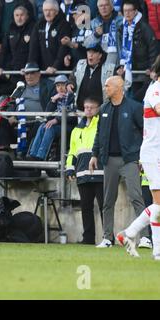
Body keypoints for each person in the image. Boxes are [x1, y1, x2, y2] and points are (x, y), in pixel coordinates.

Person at [89, 76, 147, 248]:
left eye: (107, 86)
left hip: (130, 160)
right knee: (108, 201)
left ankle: (145, 238)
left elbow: (147, 132)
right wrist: (94, 155)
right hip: (109, 160)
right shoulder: (104, 108)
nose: (105, 88)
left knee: (137, 198)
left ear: (118, 87)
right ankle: (108, 237)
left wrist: (143, 155)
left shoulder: (135, 107)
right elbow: (99, 133)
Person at [116, 57, 160, 260]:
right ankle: (157, 251)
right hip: (153, 153)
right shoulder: (155, 88)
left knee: (159, 204)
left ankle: (129, 233)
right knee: (159, 204)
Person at [66, 97, 104, 245]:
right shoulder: (77, 130)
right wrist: (70, 169)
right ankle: (88, 238)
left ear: (97, 109)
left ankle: (108, 237)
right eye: (86, 107)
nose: (88, 110)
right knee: (86, 207)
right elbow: (72, 152)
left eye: (91, 107)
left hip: (100, 172)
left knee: (103, 207)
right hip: (82, 173)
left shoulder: (101, 125)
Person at [28, 74, 76, 161]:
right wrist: (53, 100)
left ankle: (40, 156)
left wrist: (56, 120)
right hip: (58, 124)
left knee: (50, 128)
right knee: (42, 126)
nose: (60, 88)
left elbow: (73, 117)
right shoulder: (56, 97)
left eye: (62, 85)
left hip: (69, 125)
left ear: (67, 85)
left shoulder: (73, 97)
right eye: (58, 86)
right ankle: (33, 154)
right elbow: (48, 114)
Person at [116, 0, 157, 98]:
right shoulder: (121, 28)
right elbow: (120, 49)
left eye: (130, 10)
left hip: (143, 72)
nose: (127, 13)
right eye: (125, 11)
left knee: (137, 100)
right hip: (128, 71)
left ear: (135, 11)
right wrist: (119, 66)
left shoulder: (144, 27)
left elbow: (153, 48)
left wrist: (152, 67)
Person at [28, 0, 72, 74]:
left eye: (51, 10)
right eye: (45, 10)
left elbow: (63, 48)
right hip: (42, 72)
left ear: (57, 12)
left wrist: (55, 66)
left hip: (59, 72)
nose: (47, 13)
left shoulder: (64, 25)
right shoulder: (38, 25)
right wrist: (30, 66)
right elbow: (33, 48)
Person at [68, 43, 116, 111]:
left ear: (100, 55)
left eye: (93, 52)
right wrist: (70, 83)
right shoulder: (80, 64)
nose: (90, 55)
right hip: (81, 110)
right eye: (89, 52)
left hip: (101, 110)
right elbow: (72, 77)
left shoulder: (110, 68)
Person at [84, 0, 123, 66]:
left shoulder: (121, 21)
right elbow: (85, 44)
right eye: (101, 6)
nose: (103, 8)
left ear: (112, 6)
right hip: (99, 65)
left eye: (106, 5)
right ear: (98, 8)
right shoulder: (92, 23)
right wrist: (95, 35)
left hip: (118, 65)